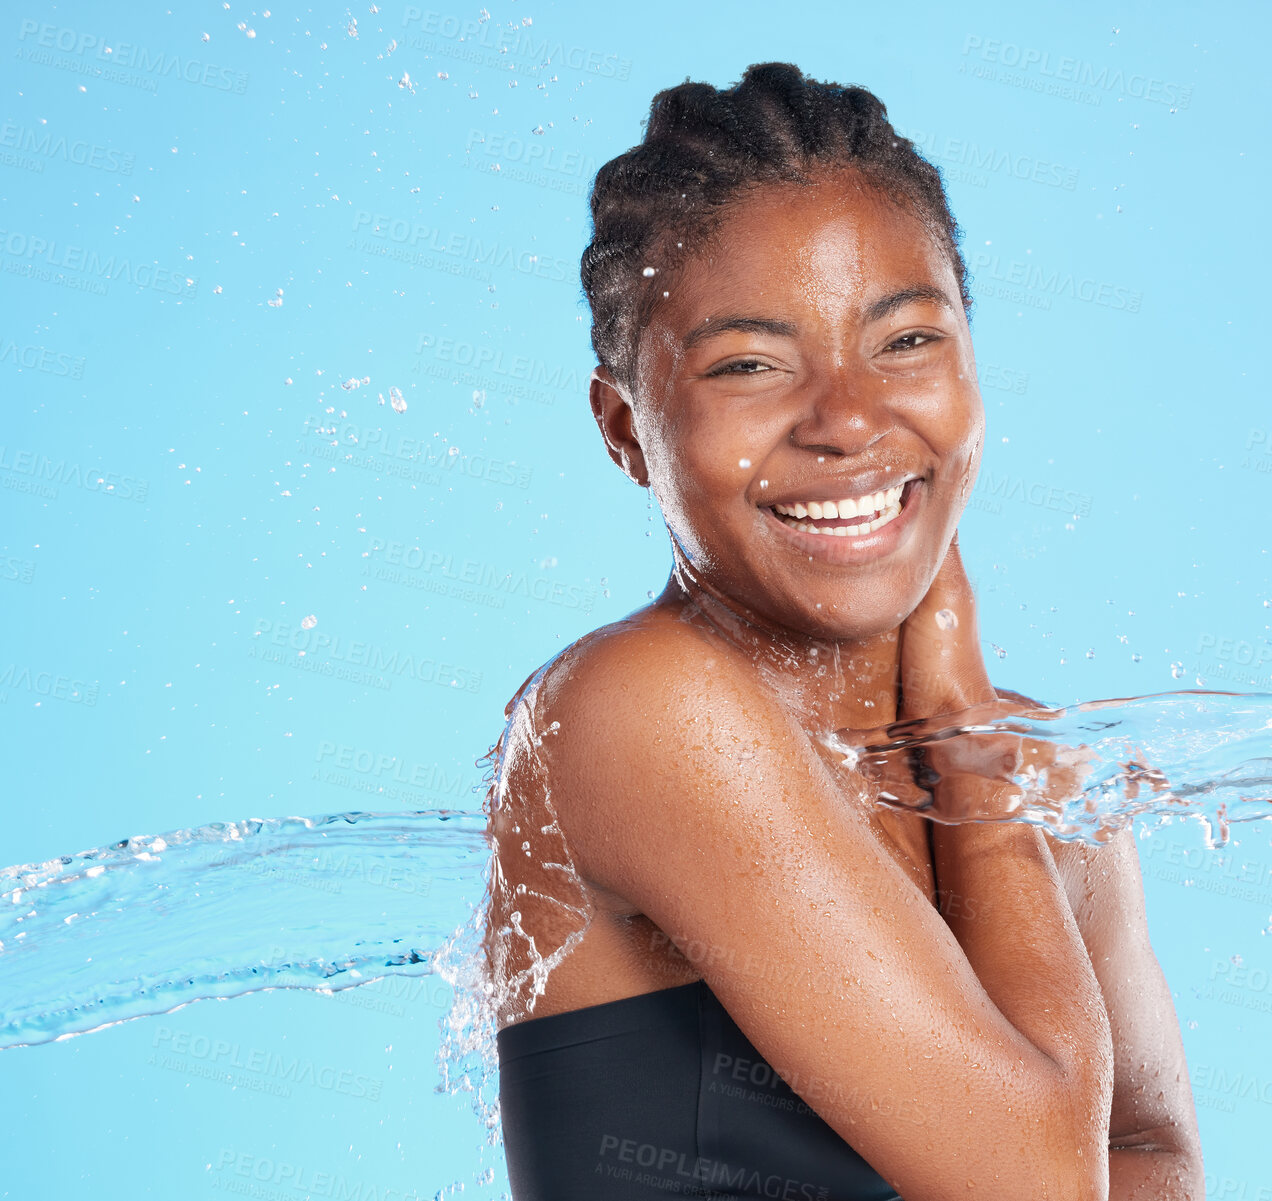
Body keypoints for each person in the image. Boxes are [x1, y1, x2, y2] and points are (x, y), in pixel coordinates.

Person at [484, 63, 1201, 1201]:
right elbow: (1043, 1188)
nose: (849, 419)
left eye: (906, 341)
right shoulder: (640, 709)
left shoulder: (1041, 784)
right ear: (624, 430)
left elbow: (1159, 1166)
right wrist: (961, 736)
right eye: (750, 365)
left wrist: (980, 754)